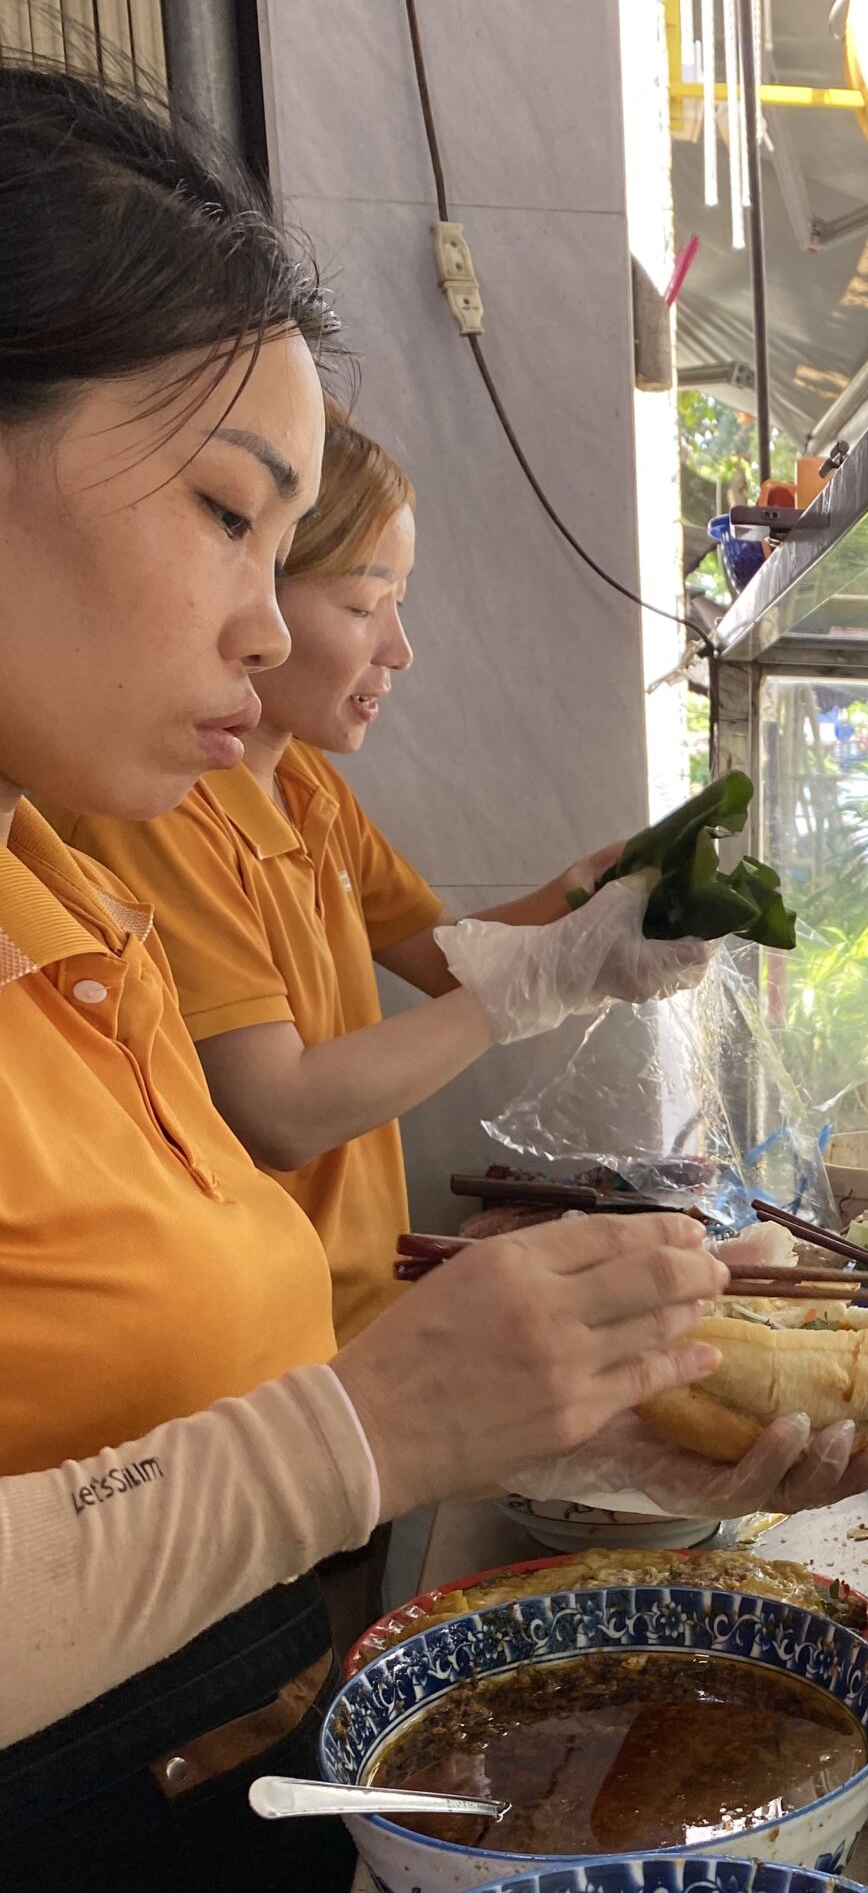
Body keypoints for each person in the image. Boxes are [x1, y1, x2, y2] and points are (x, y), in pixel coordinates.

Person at [0, 65, 868, 1893]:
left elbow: (299, 1175)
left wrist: (522, 1392)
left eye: (314, 562)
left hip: (201, 1823)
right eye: (225, 515)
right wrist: (373, 1430)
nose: (276, 628)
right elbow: (312, 1170)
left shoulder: (66, 888)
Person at [58, 404, 637, 1348]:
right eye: (365, 607)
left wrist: (600, 898)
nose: (398, 650)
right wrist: (535, 981)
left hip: (358, 1312)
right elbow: (277, 1113)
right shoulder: (154, 812)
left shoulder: (308, 786)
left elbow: (454, 962)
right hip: (262, 1350)